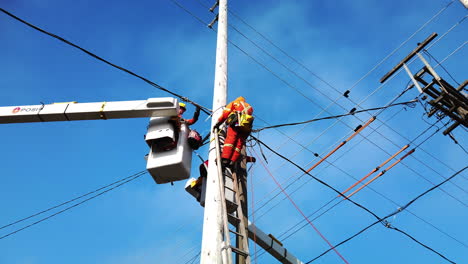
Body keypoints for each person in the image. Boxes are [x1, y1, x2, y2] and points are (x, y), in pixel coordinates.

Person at [213, 96, 254, 168]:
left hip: (236, 123)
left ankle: (225, 159)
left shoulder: (235, 103)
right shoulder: (249, 107)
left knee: (230, 140)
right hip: (245, 127)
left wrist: (218, 123)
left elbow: (226, 113)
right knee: (239, 144)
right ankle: (232, 161)